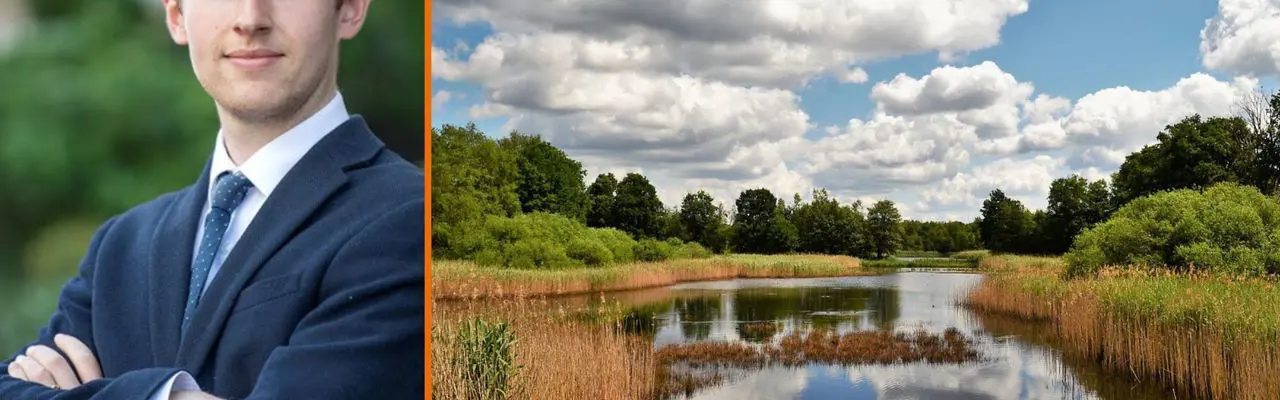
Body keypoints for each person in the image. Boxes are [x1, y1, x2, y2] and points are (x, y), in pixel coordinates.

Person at [0, 0, 425, 398]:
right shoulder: (121, 246)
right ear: (176, 14)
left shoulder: (415, 221)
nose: (251, 17)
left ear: (350, 8)